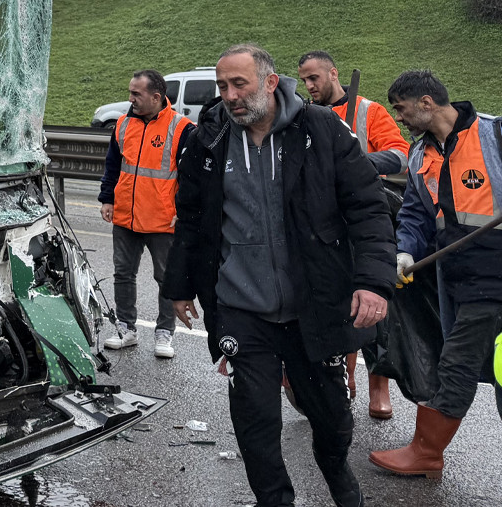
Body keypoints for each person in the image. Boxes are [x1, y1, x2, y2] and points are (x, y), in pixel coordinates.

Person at [164, 43, 394, 507]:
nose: (228, 95)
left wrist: (372, 281)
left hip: (313, 303)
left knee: (332, 420)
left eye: (239, 84)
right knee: (254, 420)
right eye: (222, 86)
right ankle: (274, 500)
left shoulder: (322, 129)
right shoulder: (206, 138)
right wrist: (179, 285)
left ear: (270, 83)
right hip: (240, 307)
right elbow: (190, 218)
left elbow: (368, 210)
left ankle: (338, 477)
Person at [369, 70, 502, 479]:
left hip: (493, 277)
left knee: (458, 365)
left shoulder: (493, 136)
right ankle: (427, 452)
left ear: (426, 102)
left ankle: (427, 452)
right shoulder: (418, 155)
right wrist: (405, 251)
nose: (400, 117)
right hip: (454, 278)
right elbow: (413, 213)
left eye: (402, 108)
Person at [297, 50, 410, 419]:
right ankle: (342, 380)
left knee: (374, 305)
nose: (309, 86)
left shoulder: (368, 111)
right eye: (304, 80)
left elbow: (400, 154)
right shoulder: (302, 116)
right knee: (333, 305)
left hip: (364, 218)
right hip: (323, 225)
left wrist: (355, 162)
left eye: (315, 78)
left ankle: (379, 384)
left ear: (333, 74)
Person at [97, 69, 192, 358]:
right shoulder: (123, 124)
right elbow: (113, 165)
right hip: (126, 215)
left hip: (163, 218)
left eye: (136, 94)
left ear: (156, 96)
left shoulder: (182, 128)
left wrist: (185, 211)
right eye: (130, 92)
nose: (130, 98)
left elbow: (191, 177)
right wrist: (107, 199)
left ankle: (165, 333)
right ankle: (126, 328)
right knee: (123, 274)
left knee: (166, 277)